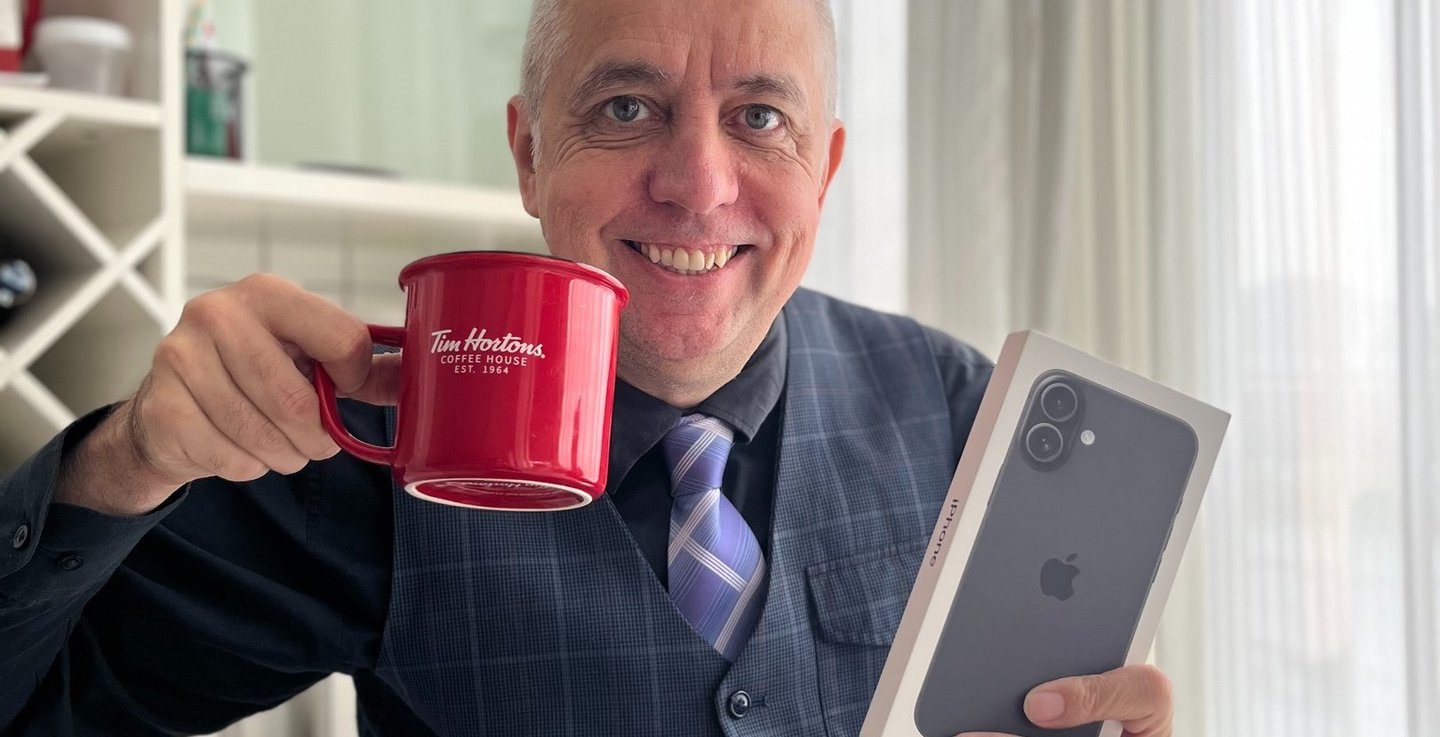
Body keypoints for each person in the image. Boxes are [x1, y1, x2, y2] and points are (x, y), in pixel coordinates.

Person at [0, 1, 1175, 735]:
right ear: (528, 153)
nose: (697, 185)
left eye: (760, 118)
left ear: (825, 170)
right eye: (624, 107)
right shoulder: (370, 441)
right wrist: (122, 462)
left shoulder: (963, 414)